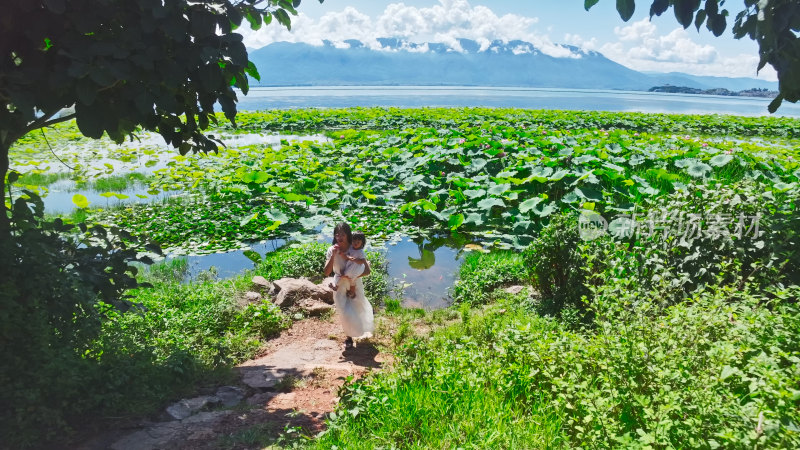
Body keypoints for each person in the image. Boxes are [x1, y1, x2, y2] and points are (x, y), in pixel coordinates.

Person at [324, 222, 374, 349]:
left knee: (357, 307)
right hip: (339, 283)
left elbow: (367, 271)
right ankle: (349, 336)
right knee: (344, 311)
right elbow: (326, 272)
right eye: (337, 234)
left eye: (342, 234)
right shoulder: (331, 250)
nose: (339, 237)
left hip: (354, 283)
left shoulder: (355, 250)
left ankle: (357, 331)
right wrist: (333, 256)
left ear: (348, 235)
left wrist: (352, 277)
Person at [329, 230, 367, 299]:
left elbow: (362, 262)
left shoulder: (360, 252)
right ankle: (337, 287)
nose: (356, 243)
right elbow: (346, 257)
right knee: (343, 275)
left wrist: (354, 259)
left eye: (358, 242)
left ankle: (350, 292)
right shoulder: (350, 248)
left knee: (351, 279)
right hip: (350, 266)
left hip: (356, 267)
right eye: (354, 241)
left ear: (362, 243)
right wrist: (341, 253)